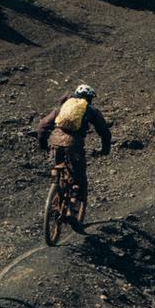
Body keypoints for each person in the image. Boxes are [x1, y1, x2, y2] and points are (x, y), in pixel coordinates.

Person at [34, 84, 110, 223]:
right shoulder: (90, 110)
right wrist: (105, 150)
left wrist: (43, 144)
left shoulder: (63, 107)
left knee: (57, 166)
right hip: (73, 144)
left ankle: (55, 188)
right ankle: (72, 207)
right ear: (89, 98)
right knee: (78, 176)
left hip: (55, 142)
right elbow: (104, 131)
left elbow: (43, 125)